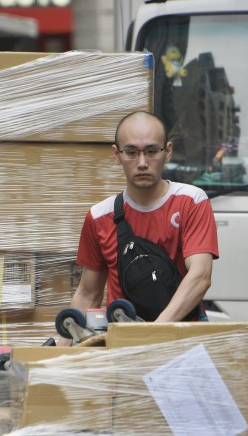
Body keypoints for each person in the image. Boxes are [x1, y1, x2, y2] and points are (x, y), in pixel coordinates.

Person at [66, 110, 218, 339]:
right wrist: (58, 358)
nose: (142, 163)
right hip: (123, 343)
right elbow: (88, 294)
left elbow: (200, 276)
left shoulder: (192, 202)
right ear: (116, 155)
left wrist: (151, 335)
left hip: (184, 338)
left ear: (167, 152)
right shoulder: (99, 216)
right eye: (131, 152)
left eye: (151, 151)